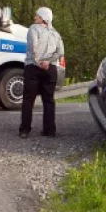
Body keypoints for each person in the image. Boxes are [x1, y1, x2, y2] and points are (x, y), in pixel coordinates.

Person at [20, 7, 64, 139]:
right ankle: (50, 130)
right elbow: (60, 52)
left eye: (37, 16)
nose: (35, 18)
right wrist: (48, 62)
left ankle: (25, 130)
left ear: (43, 18)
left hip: (33, 67)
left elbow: (33, 47)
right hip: (50, 69)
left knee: (28, 99)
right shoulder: (55, 33)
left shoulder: (34, 28)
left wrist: (40, 62)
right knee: (49, 100)